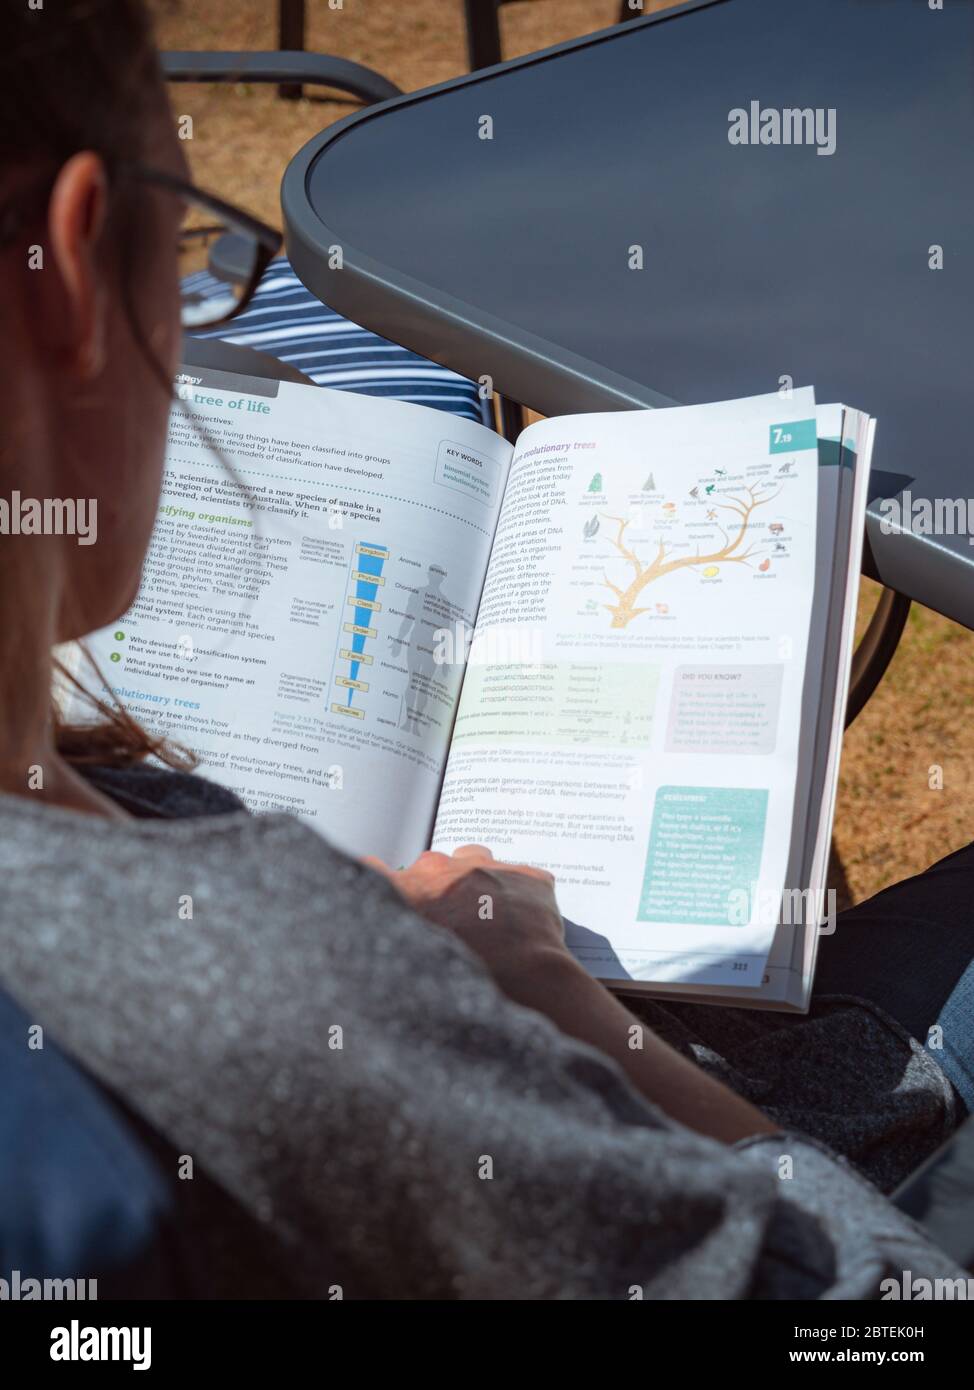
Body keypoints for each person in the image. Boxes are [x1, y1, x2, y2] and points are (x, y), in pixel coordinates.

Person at [0, 0, 968, 1298]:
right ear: (68, 274)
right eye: (183, 241)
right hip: (759, 1136)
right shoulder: (271, 987)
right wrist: (562, 1006)